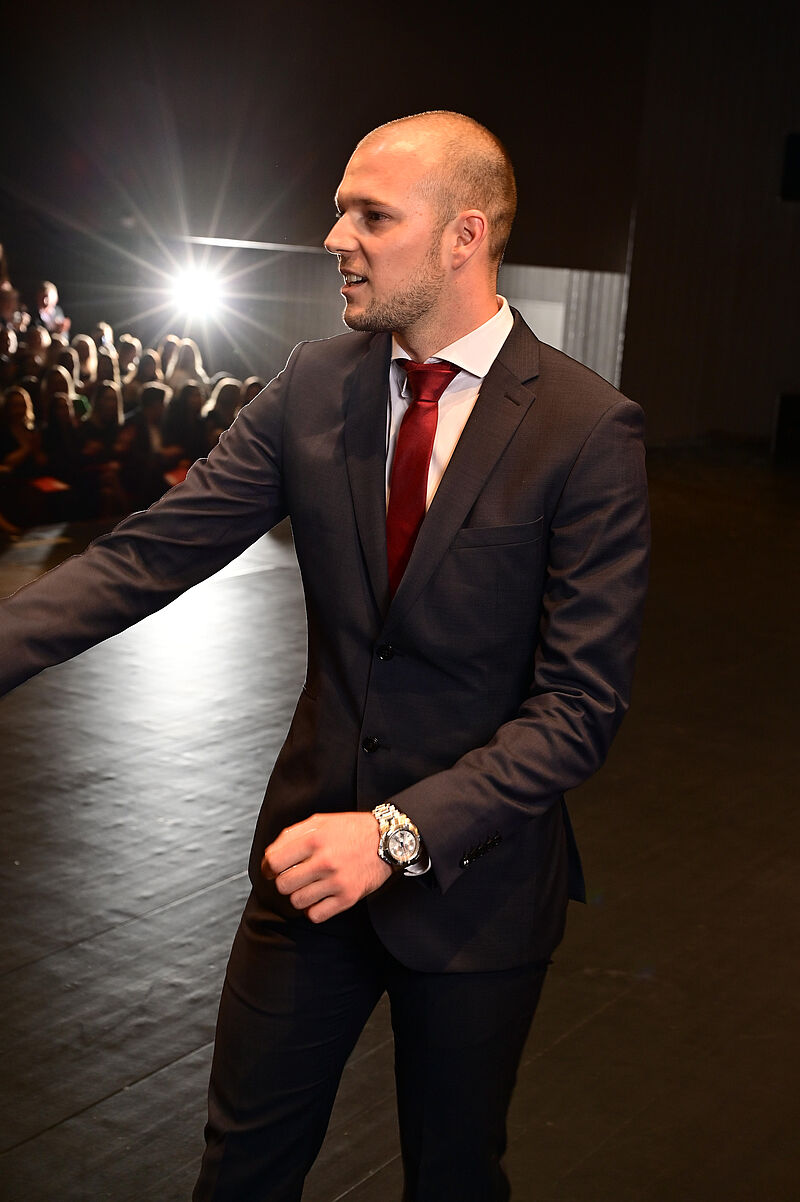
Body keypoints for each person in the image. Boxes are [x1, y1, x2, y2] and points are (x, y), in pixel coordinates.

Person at [0, 111, 649, 1200]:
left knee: (452, 1176)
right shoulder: (312, 384)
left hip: (476, 887)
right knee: (241, 1173)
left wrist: (395, 833)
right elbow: (147, 555)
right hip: (306, 869)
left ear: (463, 236)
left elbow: (579, 707)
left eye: (371, 216)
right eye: (341, 210)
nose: (336, 237)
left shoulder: (586, 430)